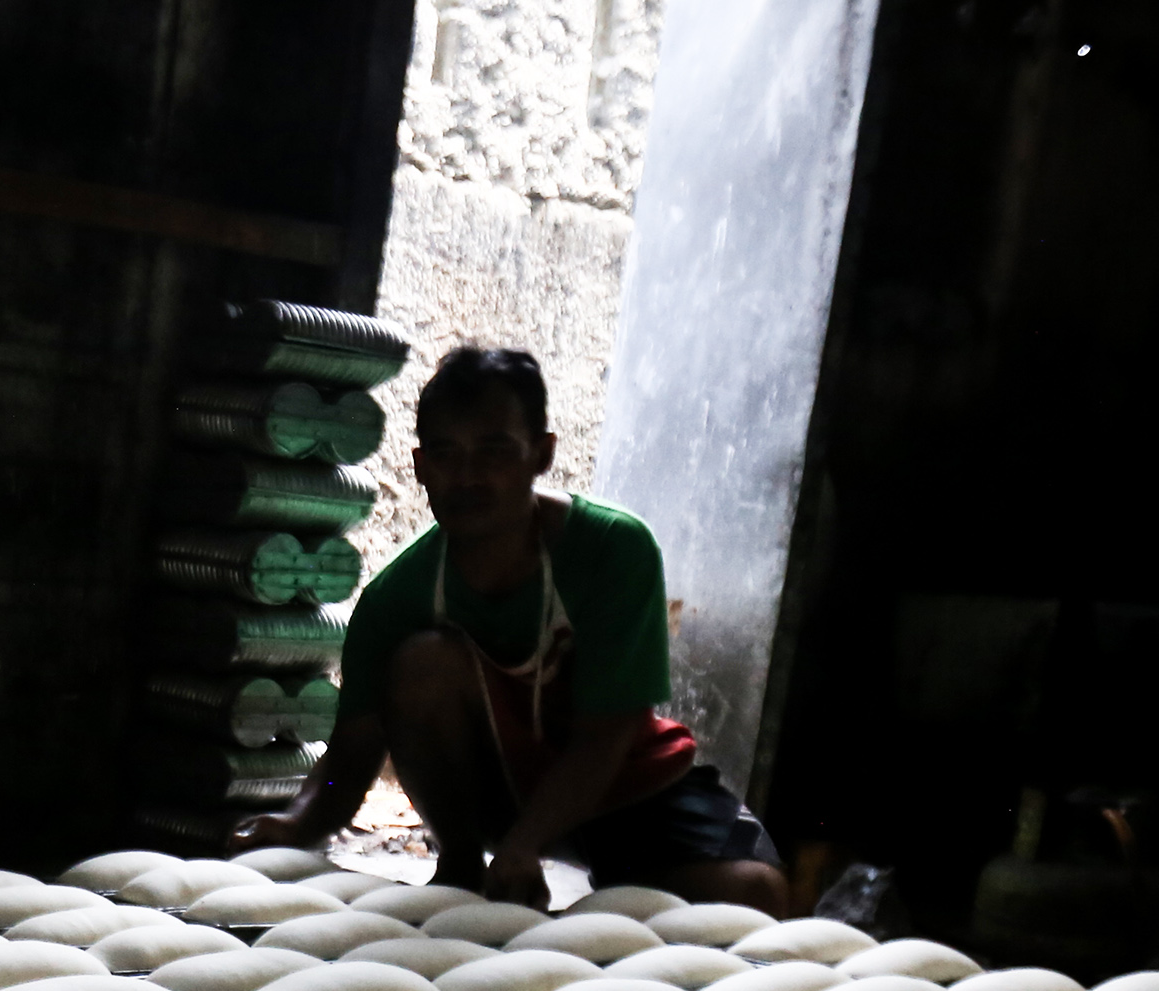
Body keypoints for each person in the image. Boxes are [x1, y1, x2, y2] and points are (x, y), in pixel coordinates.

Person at [234, 345, 790, 911]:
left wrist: (527, 846)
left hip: (620, 786)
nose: (467, 477)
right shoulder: (396, 599)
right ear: (421, 468)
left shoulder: (612, 550)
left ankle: (597, 873)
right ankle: (460, 862)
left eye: (494, 452)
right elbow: (349, 762)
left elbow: (610, 733)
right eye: (447, 455)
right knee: (422, 664)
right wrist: (297, 823)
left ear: (541, 455)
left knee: (756, 897)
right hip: (501, 793)